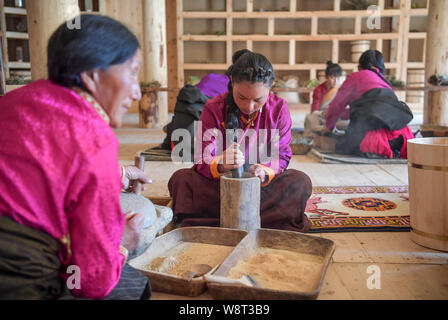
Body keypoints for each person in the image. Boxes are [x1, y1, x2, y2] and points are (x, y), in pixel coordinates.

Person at [0, 15, 153, 300]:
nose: (136, 91)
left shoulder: (13, 102)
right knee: (130, 285)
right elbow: (91, 280)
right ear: (92, 73)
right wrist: (122, 245)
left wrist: (114, 176)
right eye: (132, 72)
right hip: (17, 278)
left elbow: (39, 173)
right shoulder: (93, 134)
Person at [168, 49, 312, 232]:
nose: (248, 107)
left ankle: (214, 222)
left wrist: (264, 170)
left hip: (260, 189)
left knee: (299, 181)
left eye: (258, 100)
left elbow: (282, 156)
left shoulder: (278, 108)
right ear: (232, 83)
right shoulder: (213, 108)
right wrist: (220, 164)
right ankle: (264, 221)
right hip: (220, 186)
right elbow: (201, 158)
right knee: (181, 180)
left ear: (271, 86)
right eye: (241, 97)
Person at [323, 50, 414, 158]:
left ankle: (380, 151)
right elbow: (373, 108)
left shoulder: (355, 77)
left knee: (342, 146)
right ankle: (393, 151)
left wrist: (329, 126)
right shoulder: (385, 82)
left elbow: (337, 105)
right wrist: (343, 114)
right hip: (404, 137)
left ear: (360, 66)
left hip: (375, 140)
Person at [159, 73, 230, 160]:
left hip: (185, 104)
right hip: (190, 153)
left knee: (185, 117)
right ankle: (172, 126)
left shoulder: (210, 76)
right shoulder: (231, 87)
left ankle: (172, 126)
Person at [304, 61, 347, 138]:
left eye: (338, 78)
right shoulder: (319, 90)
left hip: (336, 120)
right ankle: (323, 132)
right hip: (322, 118)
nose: (336, 81)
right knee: (309, 118)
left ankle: (326, 131)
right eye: (332, 78)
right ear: (326, 77)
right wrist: (322, 113)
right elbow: (314, 111)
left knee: (349, 122)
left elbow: (346, 108)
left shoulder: (342, 89)